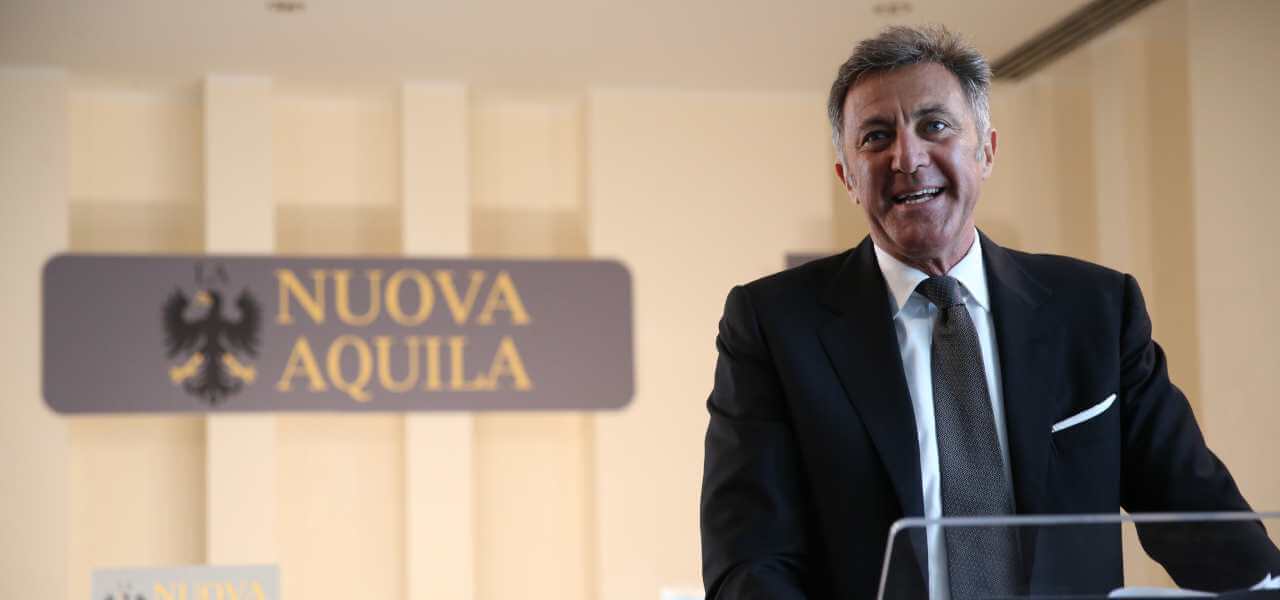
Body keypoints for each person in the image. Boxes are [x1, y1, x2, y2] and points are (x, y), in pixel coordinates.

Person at [700, 25, 1280, 600]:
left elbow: (1197, 512)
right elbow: (750, 561)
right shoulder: (773, 326)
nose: (907, 157)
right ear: (848, 178)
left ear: (987, 152)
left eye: (935, 125)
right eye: (876, 137)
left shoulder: (1096, 311)